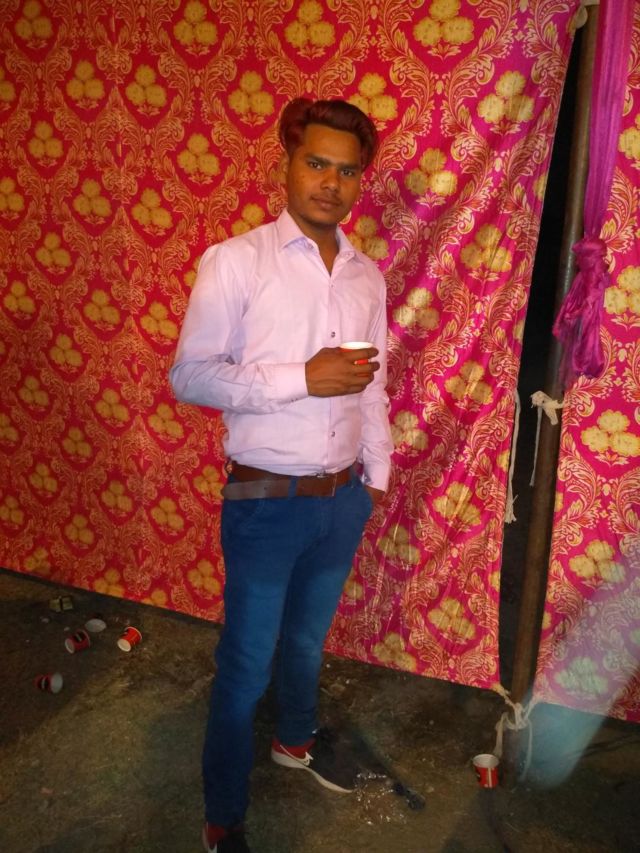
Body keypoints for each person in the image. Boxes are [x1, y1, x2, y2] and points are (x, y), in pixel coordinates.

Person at [170, 97, 393, 853]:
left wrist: (376, 476)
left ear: (360, 181)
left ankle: (295, 741)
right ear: (287, 166)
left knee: (305, 642)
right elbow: (190, 376)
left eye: (347, 170)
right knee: (244, 664)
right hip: (265, 501)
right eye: (316, 163)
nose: (331, 182)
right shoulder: (237, 261)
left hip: (342, 498)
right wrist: (303, 378)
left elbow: (374, 385)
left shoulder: (367, 278)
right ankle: (224, 817)